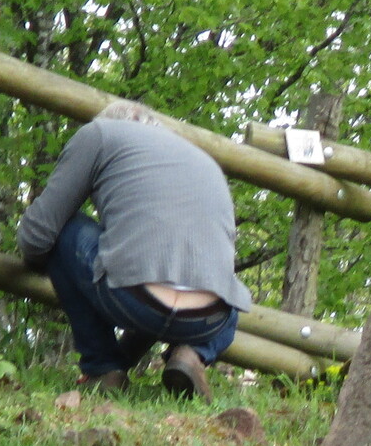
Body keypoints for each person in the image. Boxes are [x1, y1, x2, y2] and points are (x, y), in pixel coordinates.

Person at [17, 111, 250, 397]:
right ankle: (192, 354)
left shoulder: (100, 133)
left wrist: (47, 265)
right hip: (210, 319)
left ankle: (102, 368)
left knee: (63, 228)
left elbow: (36, 235)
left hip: (134, 298)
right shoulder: (205, 161)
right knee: (226, 291)